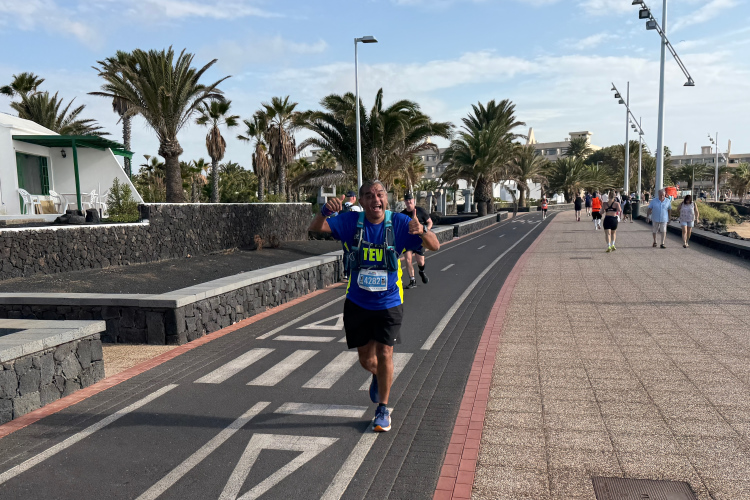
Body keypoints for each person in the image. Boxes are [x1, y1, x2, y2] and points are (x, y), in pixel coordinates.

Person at [308, 180, 440, 432]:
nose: (375, 199)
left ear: (386, 199)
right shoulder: (351, 222)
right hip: (358, 301)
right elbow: (316, 228)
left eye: (379, 194)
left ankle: (383, 409)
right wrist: (325, 211)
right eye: (368, 195)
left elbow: (434, 245)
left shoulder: (399, 223)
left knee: (385, 352)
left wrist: (422, 229)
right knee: (366, 359)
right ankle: (378, 376)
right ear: (361, 201)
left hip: (389, 301)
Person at [401, 192, 433, 289]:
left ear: (413, 200)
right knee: (408, 259)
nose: (409, 202)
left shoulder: (420, 211)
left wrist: (426, 231)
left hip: (419, 239)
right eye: (407, 200)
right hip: (407, 240)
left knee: (420, 262)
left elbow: (430, 222)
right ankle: (412, 280)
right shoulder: (402, 214)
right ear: (405, 202)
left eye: (410, 199)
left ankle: (421, 271)